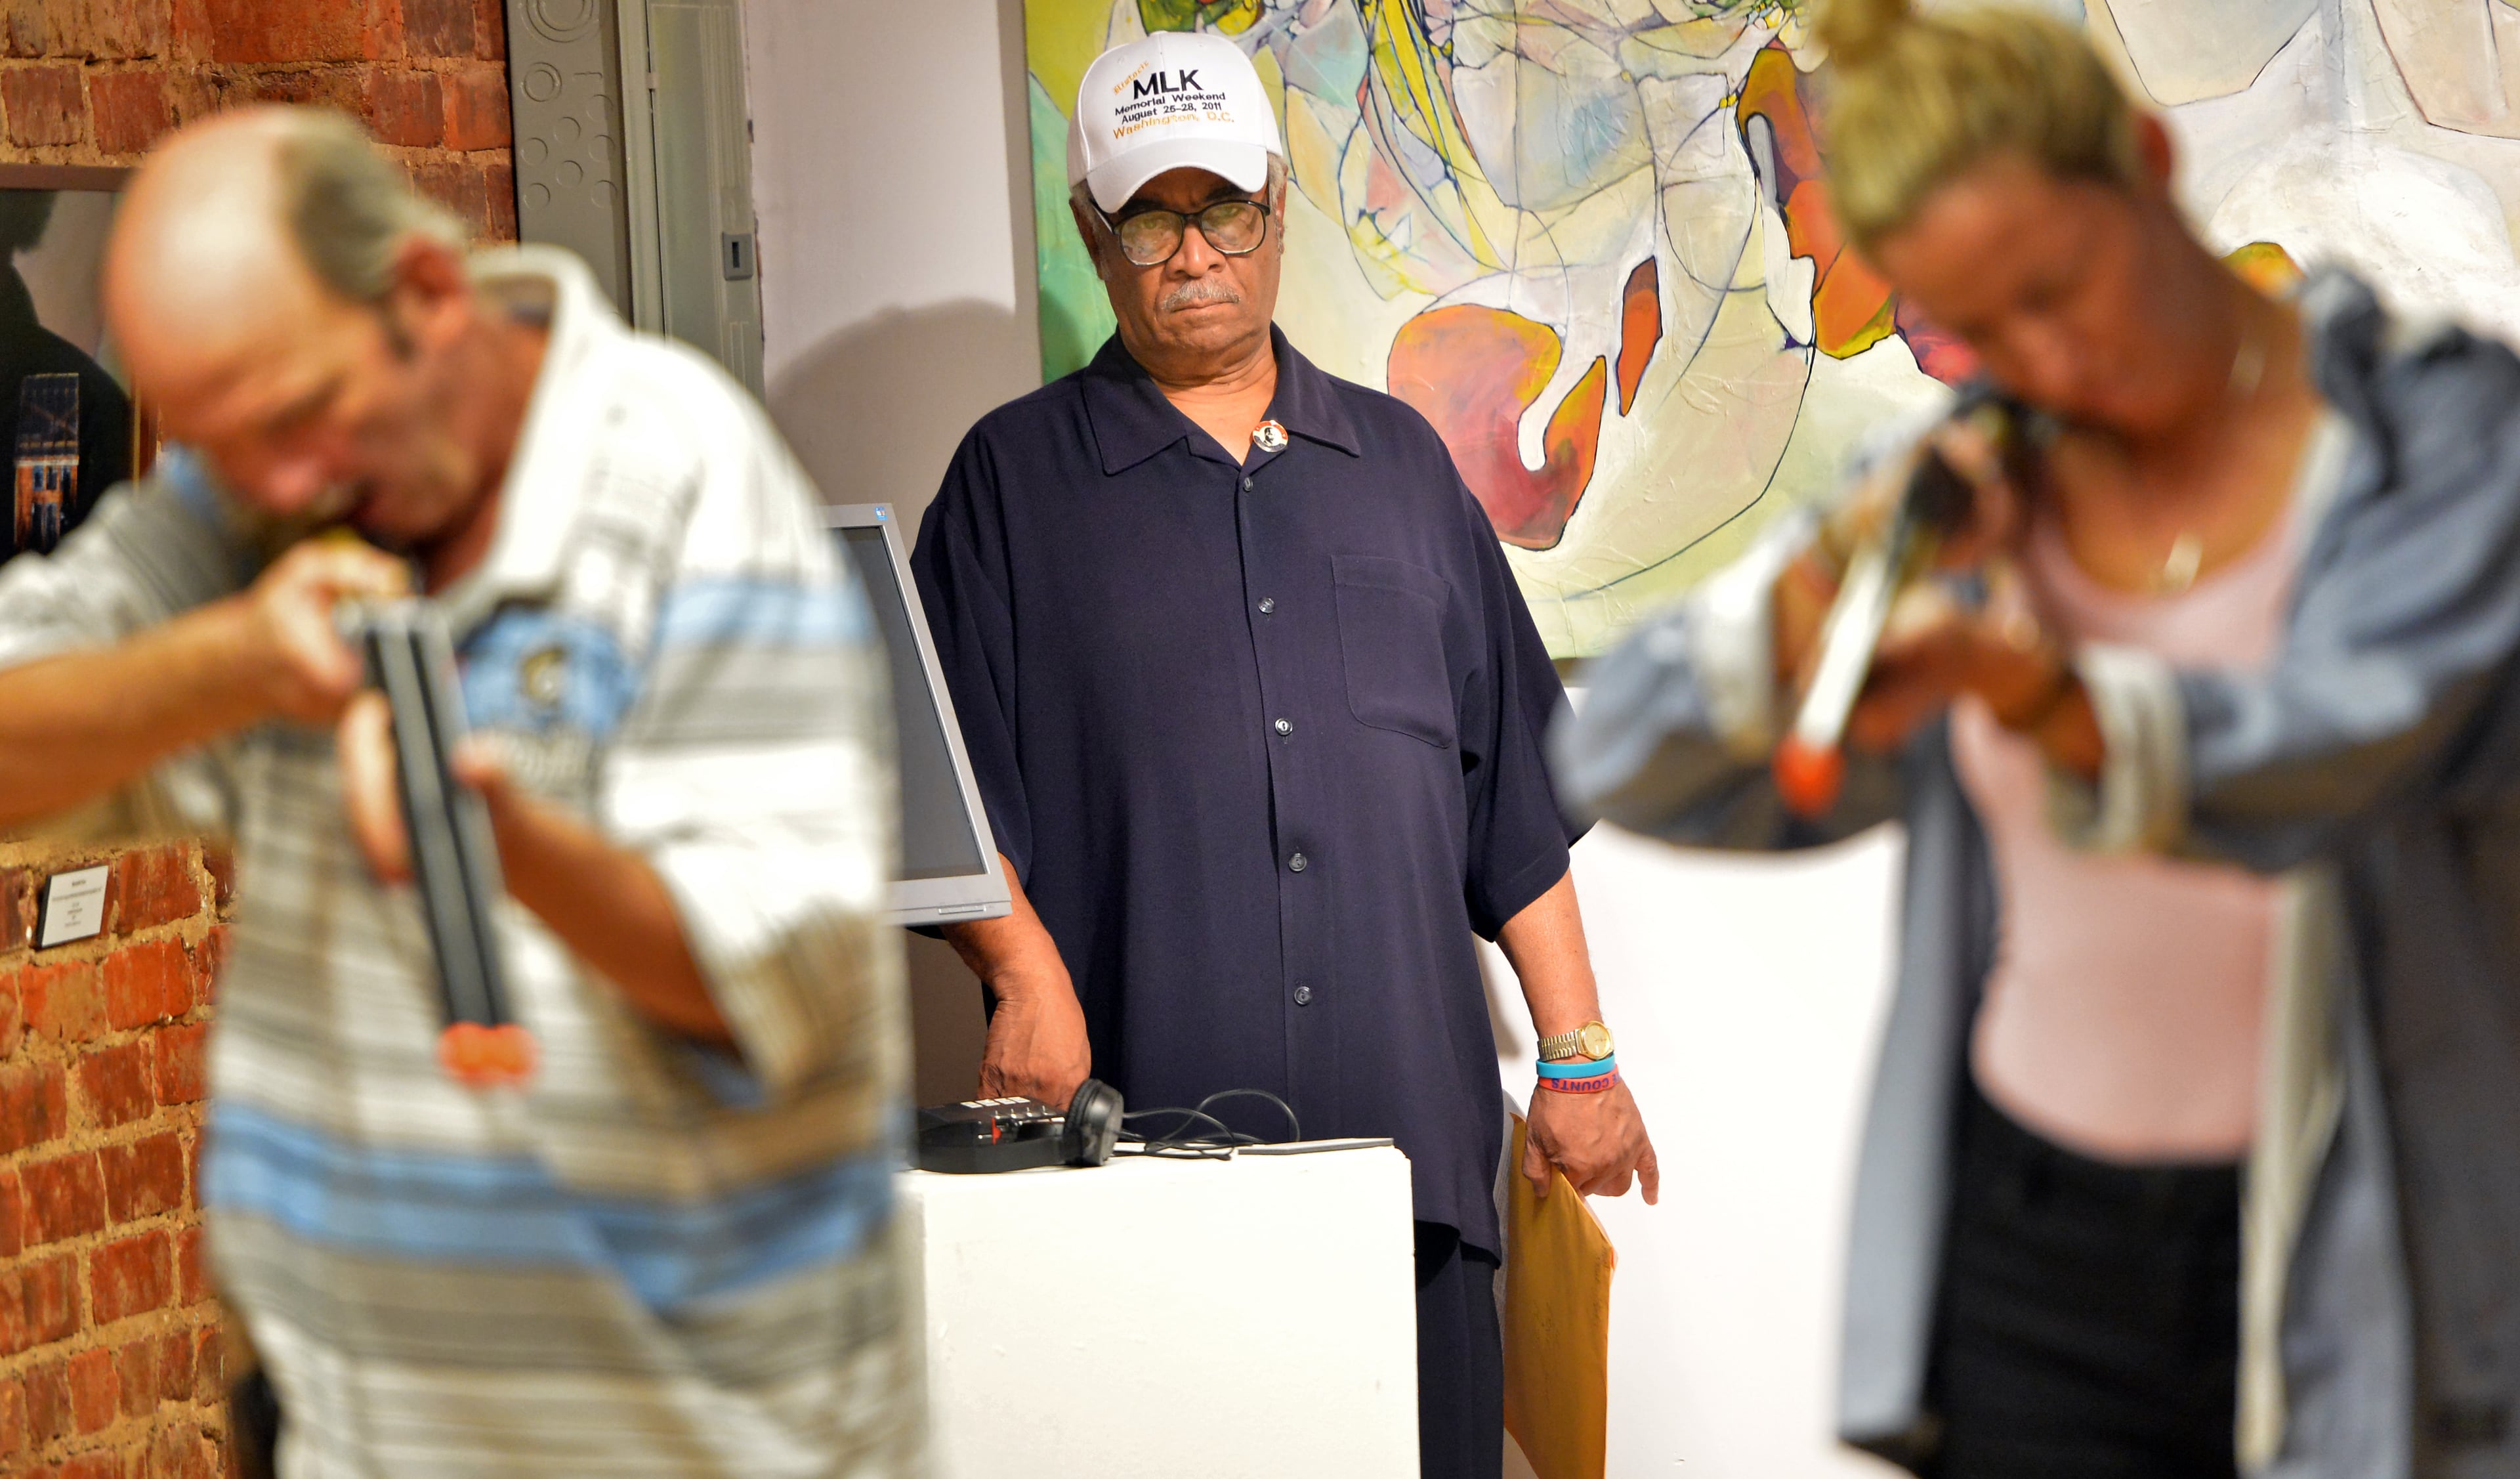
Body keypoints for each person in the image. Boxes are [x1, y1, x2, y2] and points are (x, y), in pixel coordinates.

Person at [1554, 1, 2520, 1475]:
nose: (2048, 360)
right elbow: (1624, 755)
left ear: (2142, 161)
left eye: (2061, 285)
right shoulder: (1978, 485)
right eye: (1979, 325)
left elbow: (2338, 749)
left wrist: (2045, 697)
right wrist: (1832, 583)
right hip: (2030, 1235)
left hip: (2350, 1221)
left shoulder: (2436, 441)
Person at [0, 108, 920, 1476]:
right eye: (221, 443)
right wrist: (225, 659)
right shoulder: (255, 497)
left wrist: (498, 838)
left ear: (427, 296)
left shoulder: (688, 480)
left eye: (304, 419)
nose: (281, 482)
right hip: (356, 1432)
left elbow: (774, 980)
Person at [910, 30, 1658, 1479]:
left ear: (1277, 210)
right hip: (1140, 1192)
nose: (1192, 253)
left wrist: (1580, 1058)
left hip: (1412, 1180)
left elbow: (1511, 799)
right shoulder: (1011, 482)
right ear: (1093, 232)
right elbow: (935, 776)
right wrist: (1020, 968)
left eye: (1223, 209)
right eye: (1149, 216)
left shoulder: (1402, 469)